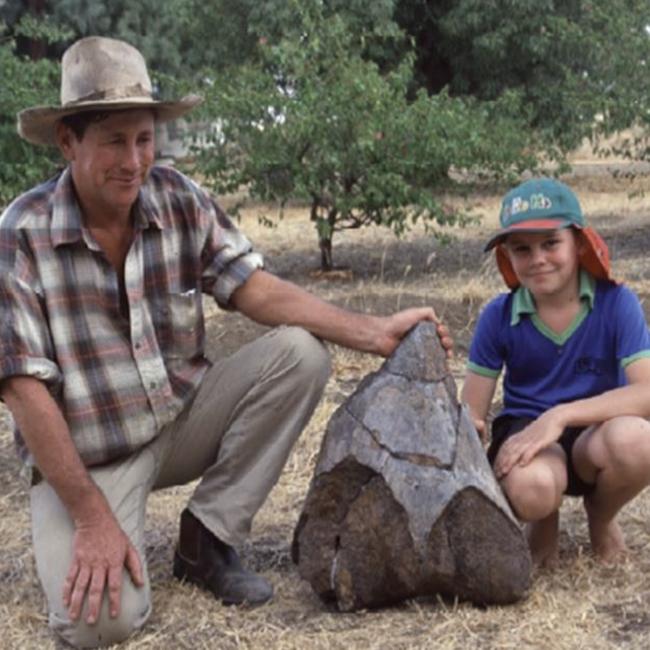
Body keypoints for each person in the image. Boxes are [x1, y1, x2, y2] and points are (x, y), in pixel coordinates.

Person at [0, 36, 452, 648]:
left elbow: (253, 288)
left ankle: (206, 539)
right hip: (89, 453)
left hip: (181, 418)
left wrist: (372, 332)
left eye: (144, 139)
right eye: (113, 141)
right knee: (99, 627)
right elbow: (23, 390)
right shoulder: (20, 233)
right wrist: (89, 515)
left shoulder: (177, 197)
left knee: (300, 353)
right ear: (67, 141)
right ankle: (102, 520)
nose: (134, 161)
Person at [461, 177, 650, 569]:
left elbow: (646, 392)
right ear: (506, 257)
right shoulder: (498, 315)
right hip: (528, 433)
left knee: (638, 441)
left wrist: (559, 416)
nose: (538, 259)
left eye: (551, 243)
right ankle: (543, 519)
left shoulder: (617, 302)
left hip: (595, 434)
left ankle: (601, 514)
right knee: (533, 488)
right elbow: (470, 414)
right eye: (522, 249)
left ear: (579, 243)